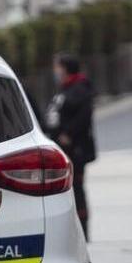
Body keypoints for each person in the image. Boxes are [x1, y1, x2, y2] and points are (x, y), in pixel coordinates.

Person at [44, 53, 96, 237]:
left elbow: (84, 116)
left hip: (75, 149)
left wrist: (68, 134)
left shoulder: (80, 89)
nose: (55, 71)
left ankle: (83, 230)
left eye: (57, 67)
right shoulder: (64, 90)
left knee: (77, 188)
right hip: (61, 147)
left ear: (65, 68)